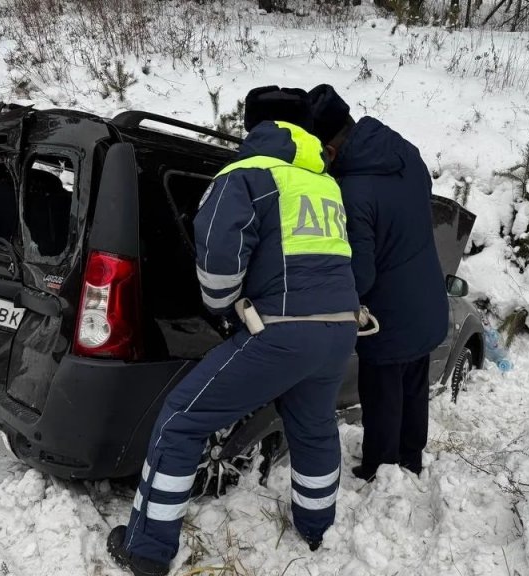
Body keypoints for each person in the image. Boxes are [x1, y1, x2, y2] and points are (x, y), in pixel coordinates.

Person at [107, 86, 360, 576]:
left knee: (182, 419)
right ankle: (316, 528)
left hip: (283, 331)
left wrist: (223, 311)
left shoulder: (246, 174)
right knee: (313, 428)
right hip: (339, 329)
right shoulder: (324, 185)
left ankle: (146, 550)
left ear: (253, 129)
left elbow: (219, 256)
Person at [308, 84, 448, 482]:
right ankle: (410, 458)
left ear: (329, 151)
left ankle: (381, 470)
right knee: (414, 387)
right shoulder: (403, 151)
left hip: (389, 316)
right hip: (427, 298)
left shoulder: (351, 192)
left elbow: (362, 275)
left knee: (383, 396)